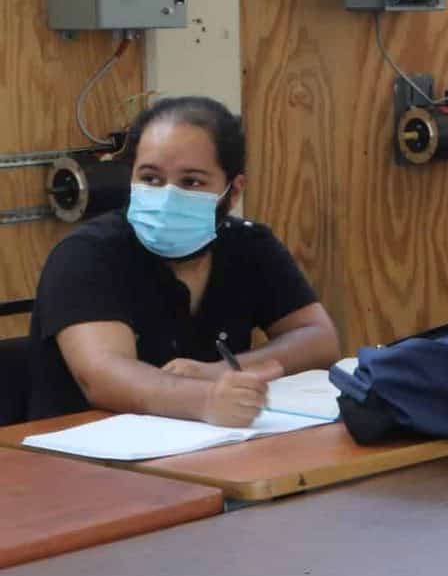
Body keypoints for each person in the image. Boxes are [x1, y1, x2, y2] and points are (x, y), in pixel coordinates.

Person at [28, 97, 341, 424]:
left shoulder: (249, 244)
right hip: (83, 448)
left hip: (216, 444)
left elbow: (318, 338)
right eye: (150, 178)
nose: (167, 196)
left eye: (191, 182)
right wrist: (205, 399)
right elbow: (103, 375)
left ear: (234, 191)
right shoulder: (86, 254)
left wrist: (219, 372)